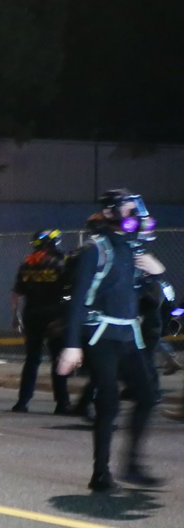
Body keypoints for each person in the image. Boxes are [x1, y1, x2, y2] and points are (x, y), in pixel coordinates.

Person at [56, 189, 164, 491]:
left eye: (135, 210)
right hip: (102, 336)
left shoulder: (132, 248)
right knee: (109, 403)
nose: (135, 216)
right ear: (109, 214)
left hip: (129, 335)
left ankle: (131, 465)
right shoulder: (95, 249)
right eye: (129, 210)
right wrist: (72, 344)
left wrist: (155, 273)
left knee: (147, 396)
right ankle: (100, 473)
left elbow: (136, 292)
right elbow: (78, 299)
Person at [10, 229, 70, 413]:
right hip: (55, 315)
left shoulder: (27, 263)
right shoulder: (62, 261)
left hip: (32, 314)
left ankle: (23, 401)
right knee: (58, 358)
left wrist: (15, 316)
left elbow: (16, 293)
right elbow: (71, 289)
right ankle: (62, 403)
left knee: (32, 359)